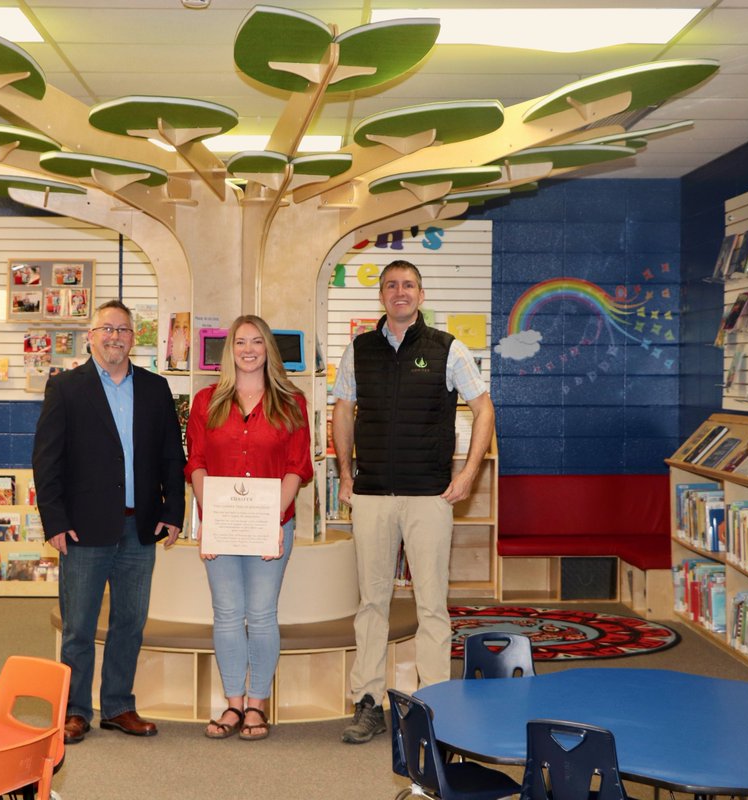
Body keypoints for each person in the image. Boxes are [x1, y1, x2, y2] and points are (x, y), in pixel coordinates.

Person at [332, 260, 495, 744]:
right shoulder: (359, 350)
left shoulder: (448, 348)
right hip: (373, 492)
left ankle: (434, 707)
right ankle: (368, 702)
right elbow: (343, 409)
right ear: (381, 296)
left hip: (429, 495)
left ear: (420, 294)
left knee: (431, 606)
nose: (399, 293)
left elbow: (483, 409)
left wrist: (469, 472)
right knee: (371, 603)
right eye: (390, 286)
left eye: (407, 285)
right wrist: (345, 473)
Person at [32, 299, 186, 744]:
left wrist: (172, 512)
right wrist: (55, 521)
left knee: (130, 623)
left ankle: (118, 705)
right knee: (78, 625)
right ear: (90, 337)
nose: (115, 336)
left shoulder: (156, 389)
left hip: (141, 528)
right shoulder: (66, 389)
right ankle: (75, 710)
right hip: (83, 529)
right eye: (106, 329)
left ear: (133, 337)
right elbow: (47, 460)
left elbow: (171, 459)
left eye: (123, 329)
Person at [184, 315, 312, 741]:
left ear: (268, 350)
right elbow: (197, 462)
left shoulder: (292, 402)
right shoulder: (206, 401)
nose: (249, 349)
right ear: (230, 350)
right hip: (221, 524)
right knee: (225, 614)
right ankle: (232, 704)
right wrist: (211, 516)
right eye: (241, 342)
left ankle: (257, 705)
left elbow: (297, 467)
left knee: (260, 615)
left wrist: (273, 519)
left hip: (272, 524)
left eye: (258, 341)